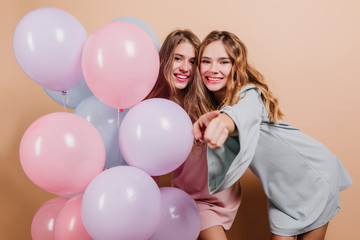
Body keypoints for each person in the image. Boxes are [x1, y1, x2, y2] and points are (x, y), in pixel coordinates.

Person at [192, 30, 353, 240]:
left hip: (313, 177)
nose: (213, 69)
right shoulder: (214, 105)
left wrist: (222, 122)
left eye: (223, 62)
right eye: (206, 61)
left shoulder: (249, 93)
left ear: (236, 66)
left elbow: (242, 114)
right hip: (281, 193)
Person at [147, 29, 241, 240]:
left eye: (191, 61)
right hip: (193, 199)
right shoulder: (154, 109)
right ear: (165, 60)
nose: (184, 68)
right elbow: (149, 163)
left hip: (224, 195)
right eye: (177, 58)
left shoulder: (209, 96)